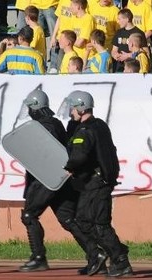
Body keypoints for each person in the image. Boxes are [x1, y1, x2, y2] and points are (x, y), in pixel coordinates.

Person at [16, 90, 106, 275]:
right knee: (67, 219)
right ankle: (95, 254)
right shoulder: (53, 123)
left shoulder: (43, 126)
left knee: (29, 215)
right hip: (60, 179)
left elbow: (46, 155)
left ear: (35, 107)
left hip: (47, 180)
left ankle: (38, 258)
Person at [58, 91, 133, 277]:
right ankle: (117, 250)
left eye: (73, 108)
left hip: (96, 182)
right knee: (84, 220)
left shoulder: (85, 130)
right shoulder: (99, 125)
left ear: (81, 108)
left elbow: (80, 154)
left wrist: (69, 166)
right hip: (97, 181)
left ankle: (121, 260)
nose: (71, 111)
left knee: (99, 224)